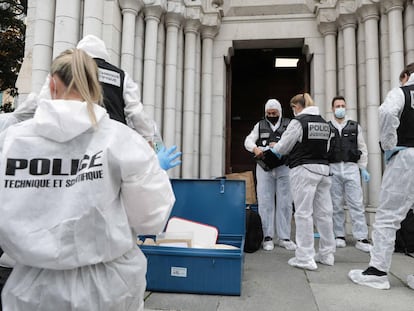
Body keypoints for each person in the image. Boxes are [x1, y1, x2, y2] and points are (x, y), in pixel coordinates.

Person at [0, 48, 175, 310]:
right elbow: (152, 217)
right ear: (97, 87)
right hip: (109, 288)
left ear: (51, 84)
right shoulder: (122, 139)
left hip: (32, 290)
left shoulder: (12, 140)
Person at [0, 34, 181, 171]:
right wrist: (149, 144)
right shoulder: (121, 75)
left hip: (67, 144)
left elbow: (41, 103)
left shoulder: (62, 71)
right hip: (112, 144)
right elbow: (136, 113)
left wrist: (18, 120)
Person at [348, 63, 414, 290]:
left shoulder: (403, 92)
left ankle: (377, 271)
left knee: (388, 216)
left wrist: (389, 145)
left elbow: (386, 112)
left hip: (406, 156)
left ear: (405, 76)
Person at [271, 93, 335, 270]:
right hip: (323, 170)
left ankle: (305, 257)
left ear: (297, 107)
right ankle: (327, 253)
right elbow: (327, 148)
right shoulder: (324, 122)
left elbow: (283, 146)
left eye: (293, 108)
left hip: (304, 170)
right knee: (324, 213)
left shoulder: (298, 122)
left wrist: (273, 147)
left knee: (303, 213)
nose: (293, 111)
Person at [244, 99, 296, 251]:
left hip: (284, 166)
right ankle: (267, 236)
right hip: (265, 166)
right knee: (265, 201)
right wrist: (255, 149)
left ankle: (284, 237)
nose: (272, 115)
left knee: (285, 202)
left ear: (280, 112)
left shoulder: (289, 124)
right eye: (269, 113)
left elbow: (295, 141)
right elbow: (248, 140)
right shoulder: (260, 125)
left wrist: (279, 146)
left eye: (274, 113)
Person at [328, 96, 372, 252]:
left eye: (342, 105)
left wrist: (363, 168)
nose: (340, 108)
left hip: (351, 168)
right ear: (332, 109)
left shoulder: (354, 126)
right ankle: (339, 235)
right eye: (337, 106)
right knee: (335, 204)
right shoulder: (327, 127)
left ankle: (361, 237)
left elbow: (363, 148)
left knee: (356, 203)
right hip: (333, 169)